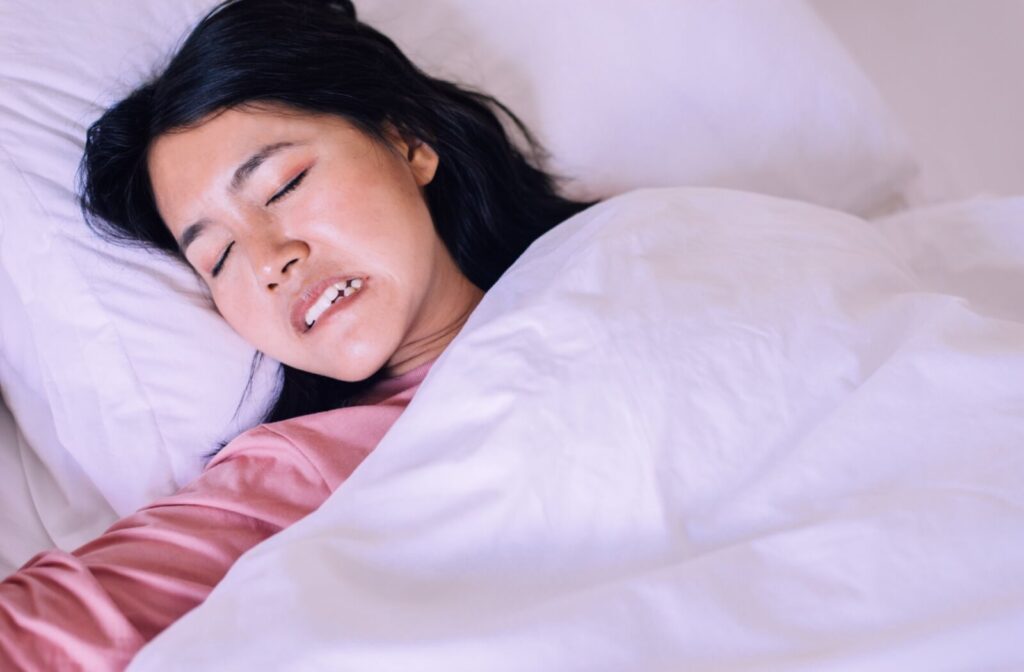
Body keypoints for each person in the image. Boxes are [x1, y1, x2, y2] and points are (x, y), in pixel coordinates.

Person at [0, 0, 595, 668]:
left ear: (408, 140)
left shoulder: (633, 248)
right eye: (217, 259)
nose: (265, 260)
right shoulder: (300, 471)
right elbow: (50, 629)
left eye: (283, 185)